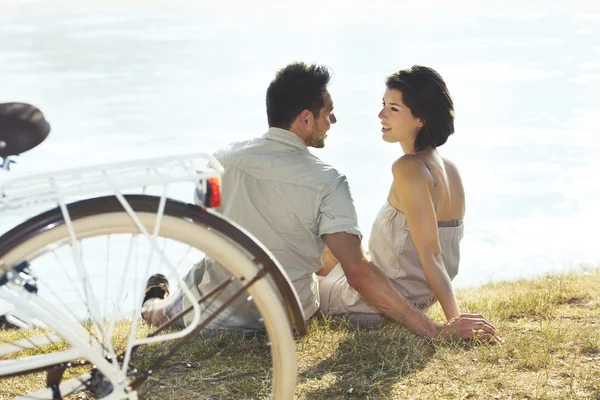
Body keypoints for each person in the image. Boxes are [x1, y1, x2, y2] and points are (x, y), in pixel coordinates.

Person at [142, 62, 498, 342]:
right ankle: (158, 302)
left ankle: (154, 306)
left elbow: (204, 221)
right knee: (325, 254)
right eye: (329, 113)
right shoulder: (328, 182)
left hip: (217, 306)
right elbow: (360, 269)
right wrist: (437, 326)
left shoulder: (218, 160)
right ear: (306, 118)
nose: (333, 121)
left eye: (391, 108)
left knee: (196, 278)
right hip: (289, 312)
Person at [318, 65, 501, 343]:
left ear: (420, 119)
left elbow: (432, 255)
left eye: (394, 108)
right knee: (319, 251)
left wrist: (453, 323)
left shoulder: (409, 169)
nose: (381, 115)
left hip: (378, 302)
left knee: (290, 280)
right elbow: (441, 252)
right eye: (383, 105)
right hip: (411, 295)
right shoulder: (449, 168)